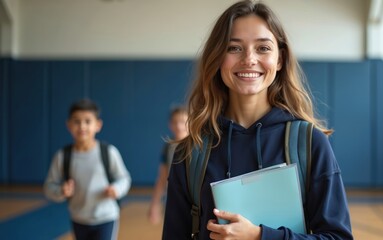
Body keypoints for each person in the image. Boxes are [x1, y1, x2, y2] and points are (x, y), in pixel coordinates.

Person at [162, 1, 353, 239]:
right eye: (234, 48)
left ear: (280, 60)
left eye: (263, 48)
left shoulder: (309, 143)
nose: (249, 59)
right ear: (218, 57)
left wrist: (260, 236)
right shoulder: (191, 152)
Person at [44, 99, 131, 240]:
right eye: (77, 121)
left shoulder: (108, 152)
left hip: (106, 218)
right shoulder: (62, 156)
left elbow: (124, 178)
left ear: (98, 125)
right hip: (78, 218)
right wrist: (61, 191)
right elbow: (48, 187)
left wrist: (116, 189)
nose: (82, 126)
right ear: (69, 125)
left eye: (87, 121)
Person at [148, 106, 189, 225]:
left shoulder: (198, 145)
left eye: (182, 122)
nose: (179, 126)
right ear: (170, 124)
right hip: (174, 200)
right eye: (175, 122)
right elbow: (162, 177)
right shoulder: (167, 147)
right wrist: (155, 204)